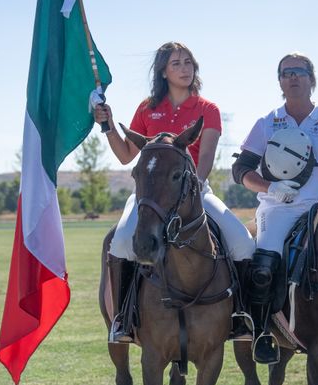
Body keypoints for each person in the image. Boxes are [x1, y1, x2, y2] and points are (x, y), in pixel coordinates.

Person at [94, 41, 255, 344]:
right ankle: (123, 321)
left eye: (188, 63)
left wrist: (191, 193)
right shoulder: (147, 109)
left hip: (196, 192)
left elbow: (205, 157)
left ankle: (240, 317)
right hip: (151, 197)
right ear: (163, 72)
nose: (184, 69)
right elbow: (126, 155)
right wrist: (107, 127)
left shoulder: (208, 109)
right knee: (120, 243)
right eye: (176, 64)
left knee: (243, 244)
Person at [231, 53, 318, 364]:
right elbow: (241, 170)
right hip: (278, 208)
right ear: (280, 82)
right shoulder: (266, 123)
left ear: (312, 80)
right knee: (263, 267)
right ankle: (261, 333)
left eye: (300, 72)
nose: (293, 77)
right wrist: (269, 188)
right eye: (286, 73)